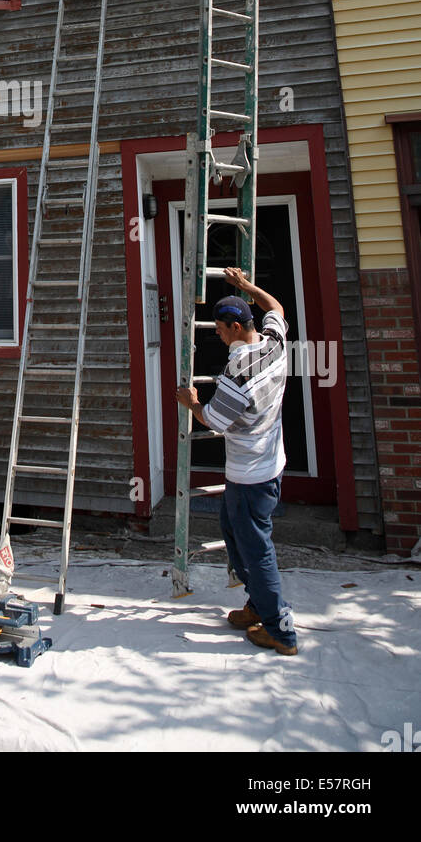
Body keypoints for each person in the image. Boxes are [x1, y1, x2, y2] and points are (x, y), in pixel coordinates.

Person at [177, 265, 298, 655]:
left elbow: (215, 421)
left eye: (218, 327)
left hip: (250, 475)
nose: (215, 333)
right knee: (234, 531)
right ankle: (257, 605)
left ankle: (281, 631)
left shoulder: (237, 371)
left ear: (232, 327)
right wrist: (247, 286)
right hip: (268, 465)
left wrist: (193, 404)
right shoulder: (274, 345)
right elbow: (276, 306)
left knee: (256, 550)